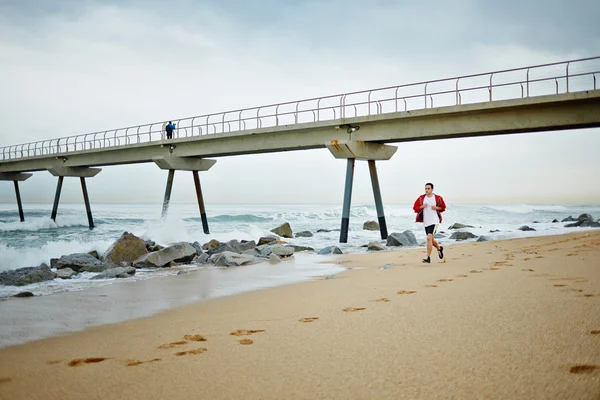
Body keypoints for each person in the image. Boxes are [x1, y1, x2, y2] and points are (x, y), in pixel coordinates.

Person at [413, 182, 446, 263]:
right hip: (426, 222)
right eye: (425, 188)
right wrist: (422, 206)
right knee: (431, 240)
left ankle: (428, 257)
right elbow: (415, 208)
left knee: (428, 238)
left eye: (428, 189)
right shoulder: (421, 198)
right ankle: (439, 249)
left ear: (432, 189)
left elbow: (443, 208)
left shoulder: (438, 198)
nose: (426, 190)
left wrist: (437, 208)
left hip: (435, 221)